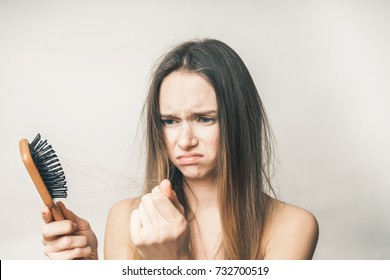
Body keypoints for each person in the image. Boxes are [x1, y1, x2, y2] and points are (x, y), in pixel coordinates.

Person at [41, 38, 319, 260]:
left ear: (239, 121)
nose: (185, 140)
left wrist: (174, 261)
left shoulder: (293, 226)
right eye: (170, 121)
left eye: (205, 118)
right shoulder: (126, 218)